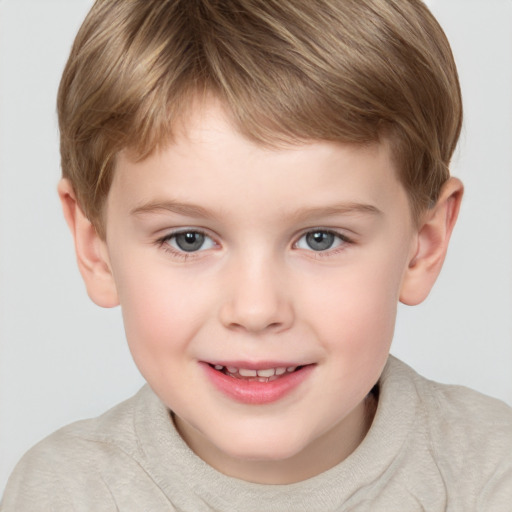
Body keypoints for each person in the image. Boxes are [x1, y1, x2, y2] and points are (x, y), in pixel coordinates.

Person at [1, 0, 511, 510]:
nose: (256, 309)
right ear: (97, 249)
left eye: (321, 238)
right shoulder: (67, 492)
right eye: (188, 239)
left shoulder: (491, 476)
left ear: (423, 245)